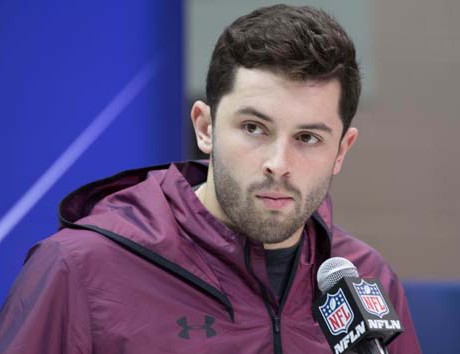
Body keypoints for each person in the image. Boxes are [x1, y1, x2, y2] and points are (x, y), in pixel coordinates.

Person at [0, 4, 421, 353]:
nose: (278, 162)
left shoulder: (366, 278)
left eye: (308, 137)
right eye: (254, 128)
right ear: (205, 127)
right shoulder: (80, 269)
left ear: (341, 151)